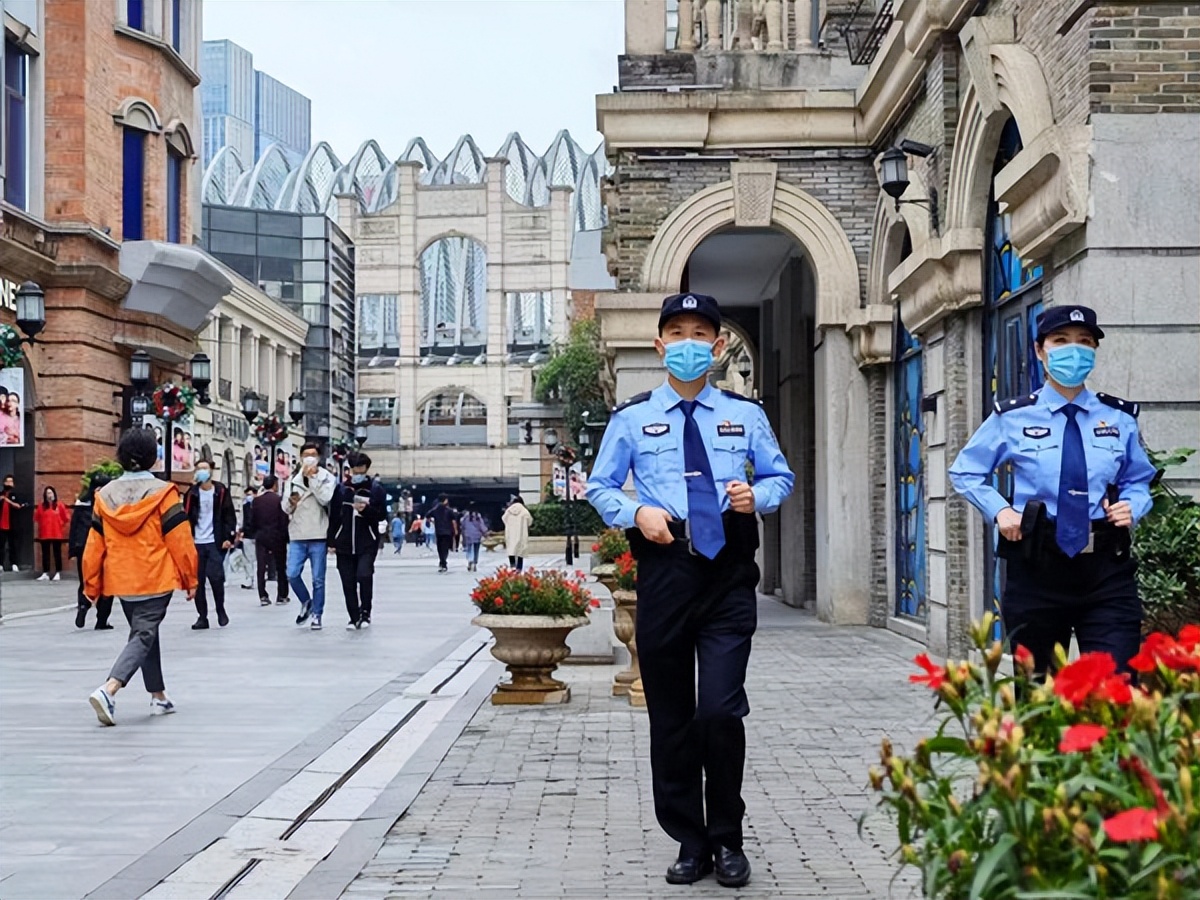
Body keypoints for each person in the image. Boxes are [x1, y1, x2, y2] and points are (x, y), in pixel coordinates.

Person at [586, 292, 794, 888]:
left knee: (720, 711)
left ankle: (728, 836)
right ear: (659, 346)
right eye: (676, 332)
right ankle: (689, 839)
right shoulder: (631, 419)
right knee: (673, 716)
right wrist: (635, 513)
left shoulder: (744, 415)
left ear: (718, 344)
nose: (688, 343)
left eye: (700, 333)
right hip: (666, 569)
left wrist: (761, 497)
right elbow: (600, 486)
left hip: (728, 570)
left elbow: (780, 474)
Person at [949, 304, 1157, 676]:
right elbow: (966, 471)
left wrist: (1133, 504)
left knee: (1117, 686)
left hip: (1106, 568)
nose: (1073, 350)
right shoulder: (1012, 417)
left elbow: (1137, 478)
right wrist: (1000, 510)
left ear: (1094, 351)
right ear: (1040, 350)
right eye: (1061, 341)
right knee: (1038, 693)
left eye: (1085, 342)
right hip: (1036, 566)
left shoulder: (1119, 418)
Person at [83, 427, 198, 726]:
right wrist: (190, 578)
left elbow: (94, 545)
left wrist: (92, 584)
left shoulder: (104, 496)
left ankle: (158, 695)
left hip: (123, 579)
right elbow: (180, 541)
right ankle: (110, 688)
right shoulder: (164, 494)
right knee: (144, 634)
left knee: (144, 633)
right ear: (152, 457)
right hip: (155, 576)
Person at [330, 452, 387, 629]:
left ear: (366, 469)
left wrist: (366, 510)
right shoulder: (341, 489)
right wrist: (331, 540)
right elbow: (333, 516)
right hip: (344, 542)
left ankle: (365, 613)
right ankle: (353, 616)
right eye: (355, 469)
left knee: (364, 575)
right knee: (347, 581)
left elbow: (382, 515)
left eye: (361, 469)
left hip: (367, 542)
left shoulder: (375, 489)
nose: (357, 472)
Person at [286, 442, 336, 630]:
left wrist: (313, 479)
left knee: (318, 579)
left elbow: (325, 498)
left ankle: (317, 614)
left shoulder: (327, 477)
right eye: (306, 454)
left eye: (313, 454)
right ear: (300, 457)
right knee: (292, 573)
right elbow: (285, 507)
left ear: (319, 457)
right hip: (297, 534)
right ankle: (306, 601)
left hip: (318, 534)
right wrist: (291, 503)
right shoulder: (292, 479)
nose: (309, 457)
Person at [183, 459, 236, 629]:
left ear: (211, 471)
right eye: (199, 469)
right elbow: (186, 516)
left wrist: (228, 537)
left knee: (216, 577)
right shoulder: (192, 493)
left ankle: (220, 609)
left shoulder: (220, 490)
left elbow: (229, 515)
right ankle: (202, 616)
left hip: (215, 541)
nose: (202, 471)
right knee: (197, 581)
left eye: (205, 468)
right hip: (196, 542)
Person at [69, 471, 114, 629]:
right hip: (105, 547)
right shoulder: (108, 503)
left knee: (86, 580)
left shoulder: (82, 503)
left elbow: (73, 526)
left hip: (83, 547)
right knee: (107, 583)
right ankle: (102, 619)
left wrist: (72, 549)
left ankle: (83, 606)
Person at [252, 475, 290, 605]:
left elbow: (252, 520)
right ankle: (282, 595)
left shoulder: (256, 501)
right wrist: (286, 537)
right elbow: (283, 520)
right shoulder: (280, 500)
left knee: (261, 566)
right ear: (275, 485)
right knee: (280, 566)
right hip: (277, 536)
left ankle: (263, 595)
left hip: (261, 536)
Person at [33, 485, 71, 581]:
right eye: (47, 493)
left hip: (57, 533)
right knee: (45, 554)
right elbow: (36, 518)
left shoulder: (59, 505)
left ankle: (58, 572)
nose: (49, 495)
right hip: (44, 533)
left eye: (51, 492)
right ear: (45, 495)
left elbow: (66, 518)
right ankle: (45, 572)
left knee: (57, 553)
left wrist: (60, 524)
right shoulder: (41, 506)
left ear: (54, 494)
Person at [1, 473, 26, 571]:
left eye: (11, 481)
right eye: (7, 481)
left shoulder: (16, 495)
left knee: (13, 545)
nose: (9, 483)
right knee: (1, 545)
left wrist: (7, 500)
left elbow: (18, 506)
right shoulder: (1, 494)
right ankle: (1, 564)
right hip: (1, 524)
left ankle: (14, 563)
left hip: (13, 524)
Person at [501, 496, 532, 572]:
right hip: (521, 533)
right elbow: (530, 521)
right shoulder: (524, 511)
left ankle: (512, 566)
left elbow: (503, 519)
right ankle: (519, 568)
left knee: (511, 549)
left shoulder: (509, 510)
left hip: (510, 533)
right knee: (520, 551)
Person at [429, 495, 458, 573]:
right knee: (445, 548)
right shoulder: (449, 510)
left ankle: (442, 562)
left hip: (439, 531)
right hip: (448, 532)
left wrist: (433, 522)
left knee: (440, 548)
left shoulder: (435, 509)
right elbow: (453, 521)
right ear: (445, 500)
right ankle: (444, 562)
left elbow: (428, 516)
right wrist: (455, 530)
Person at [239, 485, 258, 590]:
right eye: (247, 495)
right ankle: (249, 579)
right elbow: (242, 520)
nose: (248, 497)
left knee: (259, 559)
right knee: (248, 559)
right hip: (248, 535)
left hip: (258, 535)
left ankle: (259, 579)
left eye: (250, 494)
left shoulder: (260, 505)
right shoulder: (245, 506)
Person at [461, 504, 489, 572]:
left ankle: (470, 560)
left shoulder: (466, 516)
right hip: (477, 535)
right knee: (476, 549)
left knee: (469, 548)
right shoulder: (478, 516)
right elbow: (481, 525)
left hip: (468, 535)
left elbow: (462, 524)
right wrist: (485, 532)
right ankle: (474, 562)